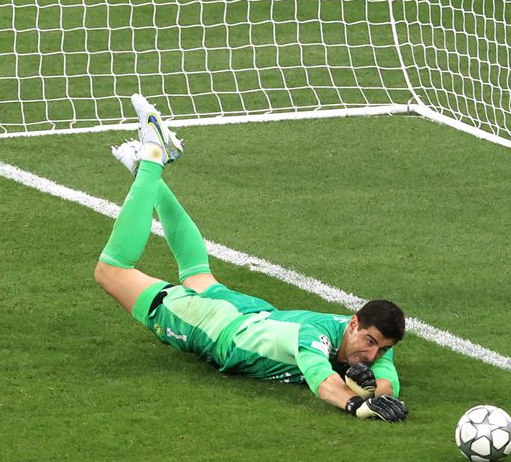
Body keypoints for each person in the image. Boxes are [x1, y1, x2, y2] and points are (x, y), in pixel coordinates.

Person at [93, 95, 409, 422]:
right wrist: (357, 405)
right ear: (354, 323)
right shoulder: (313, 336)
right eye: (370, 342)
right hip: (212, 327)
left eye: (381, 349)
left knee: (196, 273)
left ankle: (151, 176)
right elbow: (323, 381)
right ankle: (152, 159)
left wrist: (378, 393)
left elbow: (387, 378)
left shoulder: (368, 343)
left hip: (248, 314)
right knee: (111, 271)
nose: (371, 355)